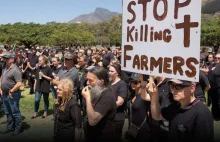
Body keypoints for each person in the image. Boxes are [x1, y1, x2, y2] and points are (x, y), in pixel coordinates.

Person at [149, 78, 214, 142]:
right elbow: (157, 116)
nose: (173, 90)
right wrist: (154, 95)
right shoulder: (176, 106)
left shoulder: (202, 112)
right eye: (172, 86)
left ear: (192, 88)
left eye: (178, 86)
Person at [81, 66, 116, 142]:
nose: (87, 83)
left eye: (91, 80)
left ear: (101, 82)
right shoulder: (97, 91)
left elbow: (93, 121)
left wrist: (87, 98)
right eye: (87, 80)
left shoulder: (107, 97)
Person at [0, 53, 22, 135]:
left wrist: (12, 90)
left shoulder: (16, 70)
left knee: (15, 112)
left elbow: (19, 83)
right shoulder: (5, 67)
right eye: (5, 58)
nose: (5, 59)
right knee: (7, 112)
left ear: (12, 59)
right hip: (5, 94)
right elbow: (2, 77)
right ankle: (10, 127)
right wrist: (1, 88)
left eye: (7, 58)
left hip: (13, 94)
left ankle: (17, 129)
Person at [125, 74, 151, 142]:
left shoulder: (145, 97)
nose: (132, 84)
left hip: (142, 130)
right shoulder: (131, 94)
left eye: (135, 82)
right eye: (131, 81)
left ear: (141, 83)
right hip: (132, 128)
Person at [108, 63, 128, 142]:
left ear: (117, 73)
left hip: (117, 118)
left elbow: (120, 102)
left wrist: (106, 106)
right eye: (109, 71)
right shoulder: (110, 83)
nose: (109, 73)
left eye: (111, 71)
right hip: (109, 116)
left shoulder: (122, 84)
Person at [208, 53, 220, 120]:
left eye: (219, 58)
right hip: (212, 87)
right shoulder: (213, 65)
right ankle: (214, 115)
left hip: (218, 88)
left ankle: (218, 116)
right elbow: (209, 72)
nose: (217, 59)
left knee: (218, 102)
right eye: (216, 58)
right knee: (214, 102)